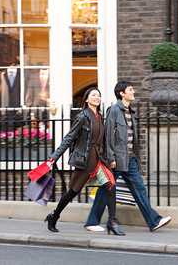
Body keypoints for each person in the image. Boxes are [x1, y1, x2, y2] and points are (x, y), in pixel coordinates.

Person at [85, 81, 172, 232]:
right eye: (130, 90)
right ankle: (92, 221)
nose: (133, 92)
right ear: (122, 93)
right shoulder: (114, 110)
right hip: (117, 159)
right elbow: (108, 136)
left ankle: (154, 221)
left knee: (139, 189)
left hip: (130, 159)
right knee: (105, 189)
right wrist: (111, 158)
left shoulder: (130, 112)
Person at [45, 87, 125, 236]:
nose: (97, 97)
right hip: (86, 160)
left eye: (99, 95)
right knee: (72, 192)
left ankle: (112, 223)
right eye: (93, 95)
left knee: (111, 185)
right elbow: (69, 138)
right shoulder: (83, 117)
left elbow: (104, 140)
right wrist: (53, 158)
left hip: (100, 159)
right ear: (87, 99)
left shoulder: (100, 116)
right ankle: (54, 216)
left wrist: (110, 157)